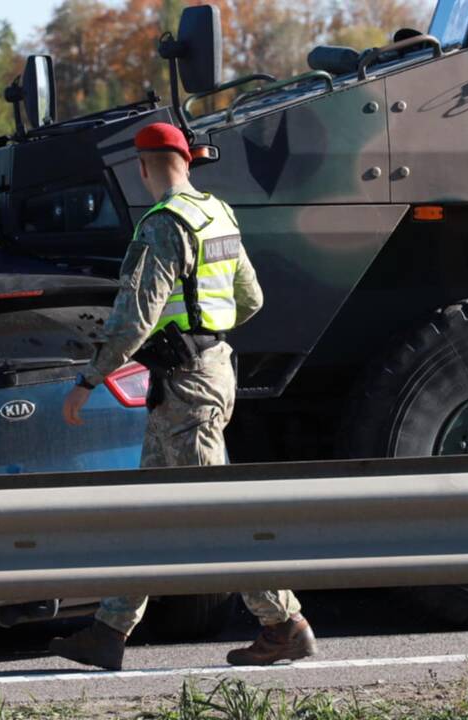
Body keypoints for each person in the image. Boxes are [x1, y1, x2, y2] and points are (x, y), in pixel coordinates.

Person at [49, 123, 316, 671]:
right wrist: (206, 330)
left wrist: (89, 380)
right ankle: (109, 631)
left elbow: (135, 319)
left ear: (144, 167)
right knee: (147, 512)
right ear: (185, 162)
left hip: (186, 385)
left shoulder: (162, 224)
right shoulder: (216, 212)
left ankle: (283, 622)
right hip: (208, 371)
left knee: (217, 513)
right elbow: (252, 298)